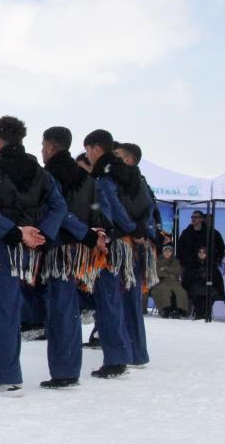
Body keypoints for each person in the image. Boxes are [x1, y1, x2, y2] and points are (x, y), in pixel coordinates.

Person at [0, 117, 65, 397]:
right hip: (30, 249)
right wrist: (39, 234)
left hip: (2, 247)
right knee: (5, 305)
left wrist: (15, 232)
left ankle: (7, 375)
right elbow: (58, 207)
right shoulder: (41, 173)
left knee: (4, 310)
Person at [39, 127, 108, 389]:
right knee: (68, 309)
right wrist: (92, 235)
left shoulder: (49, 176)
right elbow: (97, 212)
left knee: (60, 309)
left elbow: (59, 211)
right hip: (81, 251)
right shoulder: (87, 177)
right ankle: (68, 368)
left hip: (59, 247)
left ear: (50, 147)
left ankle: (64, 371)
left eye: (43, 145)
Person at [84, 129, 155, 374]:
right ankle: (136, 352)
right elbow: (148, 205)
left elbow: (111, 206)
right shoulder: (137, 176)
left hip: (115, 245)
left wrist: (128, 228)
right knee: (131, 300)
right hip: (135, 247)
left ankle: (116, 358)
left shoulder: (104, 176)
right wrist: (140, 231)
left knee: (110, 301)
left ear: (95, 149)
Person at [150, 245, 190, 318]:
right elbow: (157, 272)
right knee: (163, 290)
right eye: (165, 251)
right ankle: (165, 310)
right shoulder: (157, 260)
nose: (167, 253)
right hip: (160, 282)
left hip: (174, 282)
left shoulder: (175, 261)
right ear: (163, 252)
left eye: (169, 251)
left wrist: (166, 268)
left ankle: (180, 310)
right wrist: (169, 274)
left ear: (172, 252)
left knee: (181, 291)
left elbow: (178, 271)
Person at [186, 246, 223, 321]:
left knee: (208, 298)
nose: (201, 254)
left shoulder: (212, 265)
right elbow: (188, 278)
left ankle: (206, 314)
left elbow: (217, 279)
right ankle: (199, 314)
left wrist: (208, 280)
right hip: (196, 289)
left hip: (209, 288)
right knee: (199, 299)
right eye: (200, 252)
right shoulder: (192, 264)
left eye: (204, 252)